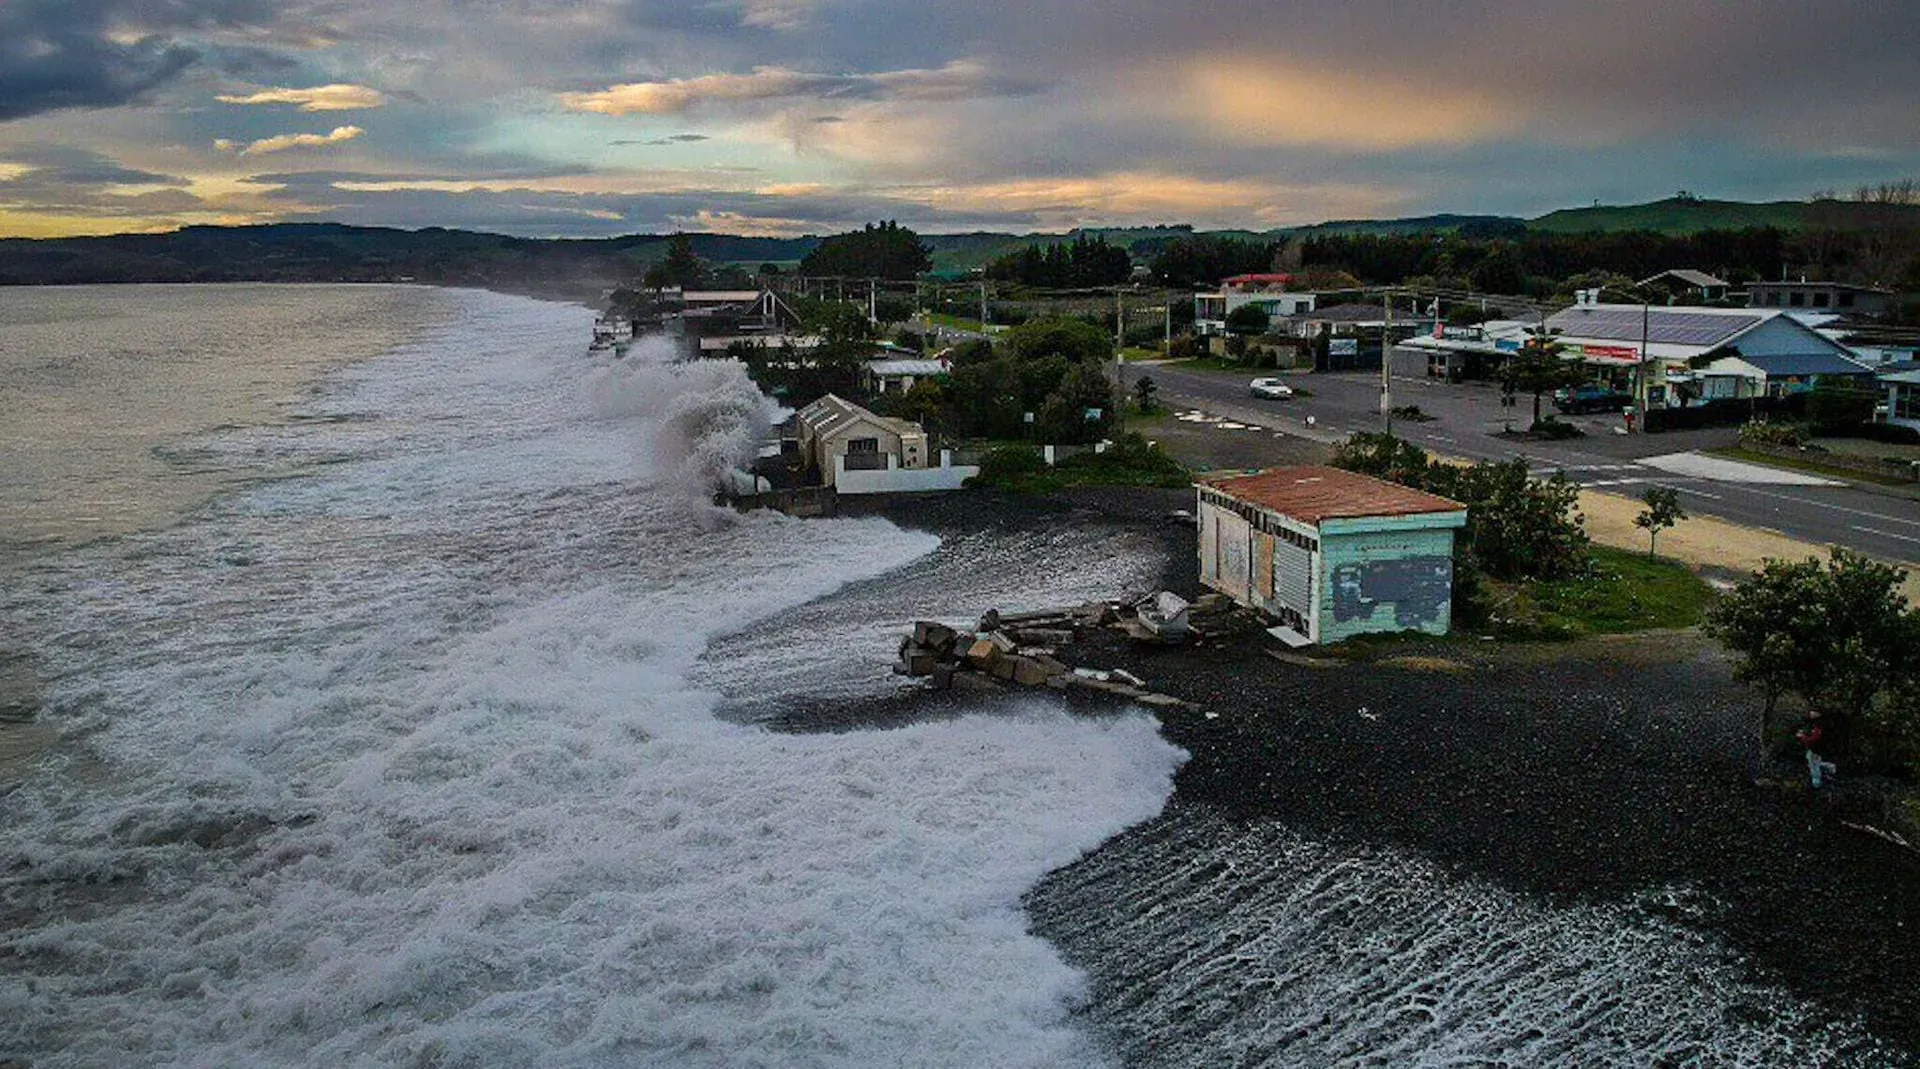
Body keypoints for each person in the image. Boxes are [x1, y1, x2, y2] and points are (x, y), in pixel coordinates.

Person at [1795, 711, 1839, 789]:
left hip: (1816, 748)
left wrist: (1802, 737)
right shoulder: (1819, 724)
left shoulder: (1819, 725)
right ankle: (1830, 767)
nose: (1811, 714)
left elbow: (1815, 738)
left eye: (1813, 712)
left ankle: (1816, 782)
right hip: (1816, 747)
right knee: (1812, 760)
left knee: (1813, 764)